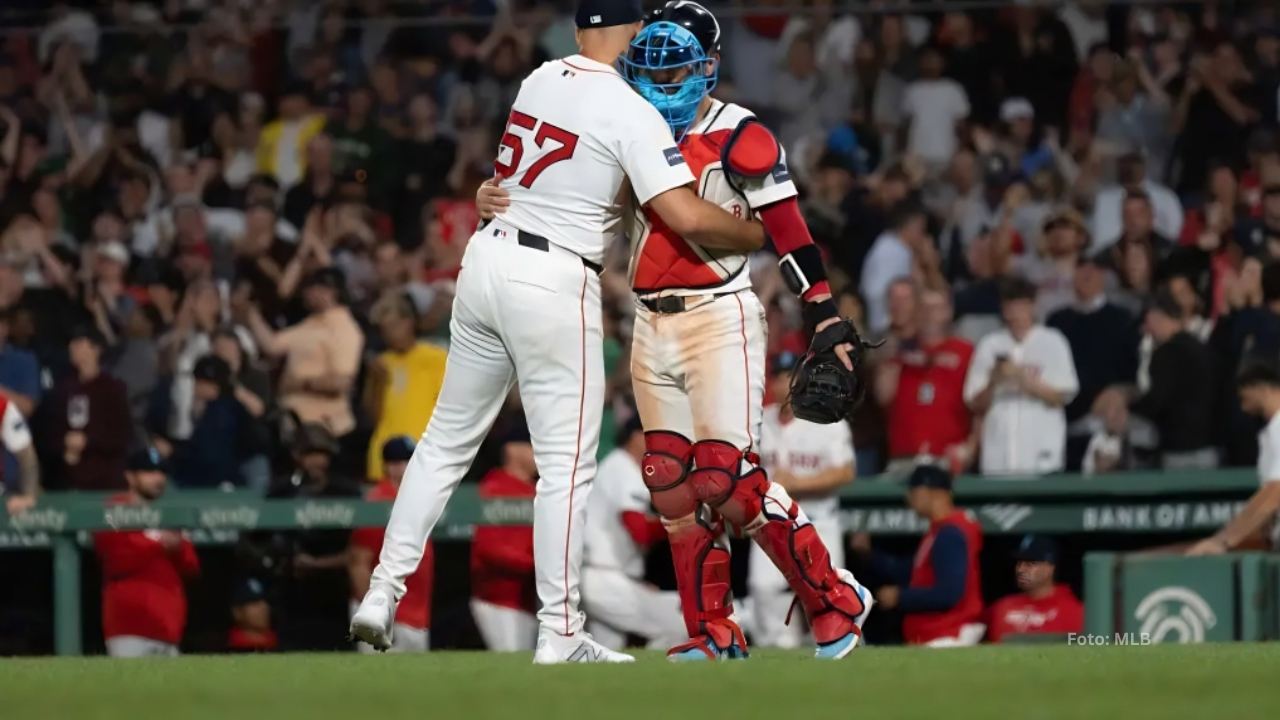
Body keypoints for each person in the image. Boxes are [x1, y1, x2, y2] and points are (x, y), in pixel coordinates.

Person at [351, 0, 764, 665]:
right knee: (566, 469)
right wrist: (758, 229)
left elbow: (522, 179)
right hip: (552, 276)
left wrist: (489, 194)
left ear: (576, 30)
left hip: (487, 260)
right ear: (633, 31)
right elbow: (682, 214)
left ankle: (379, 593)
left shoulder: (540, 77)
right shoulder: (631, 107)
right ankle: (561, 633)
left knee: (442, 445)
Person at [476, 1, 871, 661]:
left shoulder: (743, 134)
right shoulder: (620, 126)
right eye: (651, 74)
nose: (661, 89)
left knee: (726, 479)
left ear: (709, 67)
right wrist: (499, 197)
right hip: (648, 321)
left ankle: (833, 596)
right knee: (668, 481)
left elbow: (788, 227)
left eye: (675, 73)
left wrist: (822, 308)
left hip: (718, 312)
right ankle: (711, 631)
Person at [748, 352, 857, 649]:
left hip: (817, 519)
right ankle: (780, 652)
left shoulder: (827, 420)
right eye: (780, 376)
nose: (785, 383)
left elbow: (845, 472)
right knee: (763, 587)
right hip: (772, 522)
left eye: (791, 376)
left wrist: (797, 484)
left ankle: (839, 646)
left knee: (827, 591)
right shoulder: (759, 421)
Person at [582, 416, 686, 651]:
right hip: (605, 578)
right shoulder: (623, 468)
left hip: (603, 577)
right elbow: (639, 531)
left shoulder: (620, 466)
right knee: (675, 626)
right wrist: (681, 524)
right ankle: (657, 683)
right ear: (635, 437)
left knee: (607, 652)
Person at [853, 464, 985, 647]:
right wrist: (869, 555)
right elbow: (913, 573)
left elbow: (949, 593)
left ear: (935, 493)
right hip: (940, 633)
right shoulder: (939, 530)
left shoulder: (950, 533)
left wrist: (900, 597)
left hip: (949, 634)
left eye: (914, 491)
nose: (909, 498)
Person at [964, 277, 1079, 475]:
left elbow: (1062, 396)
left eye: (1021, 306)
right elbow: (974, 403)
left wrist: (1021, 377)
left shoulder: (1053, 342)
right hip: (997, 456)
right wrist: (994, 381)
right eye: (1010, 307)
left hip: (1042, 453)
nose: (1015, 314)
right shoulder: (990, 344)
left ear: (1032, 306)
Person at [93, 448, 200, 657]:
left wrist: (175, 547)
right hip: (129, 628)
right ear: (130, 477)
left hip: (169, 628)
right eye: (149, 472)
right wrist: (160, 544)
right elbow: (117, 559)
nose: (158, 478)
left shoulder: (170, 513)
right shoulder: (113, 511)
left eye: (161, 472)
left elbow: (192, 566)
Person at [238, 266, 364, 440]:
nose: (306, 293)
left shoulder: (345, 328)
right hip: (296, 421)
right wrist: (251, 314)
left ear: (328, 291)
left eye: (311, 288)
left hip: (325, 427)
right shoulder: (311, 323)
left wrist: (301, 384)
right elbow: (273, 346)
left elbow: (342, 382)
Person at [1186, 359, 1280, 556]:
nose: (1241, 401)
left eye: (1243, 391)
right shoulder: (1271, 431)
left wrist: (1224, 540)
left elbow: (1275, 493)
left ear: (1260, 386)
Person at [875, 288, 975, 473]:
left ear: (948, 312)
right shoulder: (898, 351)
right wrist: (891, 358)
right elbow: (883, 396)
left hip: (948, 459)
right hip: (903, 458)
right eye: (924, 308)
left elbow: (979, 408)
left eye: (936, 308)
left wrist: (970, 448)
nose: (929, 314)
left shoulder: (966, 352)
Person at [349, 437, 433, 653]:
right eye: (399, 462)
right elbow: (358, 562)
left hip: (417, 612)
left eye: (410, 461)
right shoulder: (379, 503)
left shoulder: (421, 498)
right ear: (388, 466)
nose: (405, 468)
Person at [362, 293, 447, 481]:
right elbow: (373, 417)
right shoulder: (382, 363)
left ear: (409, 322)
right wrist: (377, 382)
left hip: (425, 457)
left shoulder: (436, 358)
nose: (390, 335)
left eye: (394, 326)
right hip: (385, 459)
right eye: (384, 330)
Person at [470, 425, 538, 652]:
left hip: (528, 601)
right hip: (496, 600)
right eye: (533, 445)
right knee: (513, 670)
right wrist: (537, 566)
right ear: (512, 450)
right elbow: (488, 549)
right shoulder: (494, 486)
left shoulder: (537, 490)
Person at [40, 326, 132, 490]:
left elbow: (121, 434)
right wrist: (65, 444)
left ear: (96, 349)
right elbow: (50, 433)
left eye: (78, 343)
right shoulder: (63, 389)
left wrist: (88, 441)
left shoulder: (112, 389)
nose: (71, 348)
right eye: (71, 343)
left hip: (105, 482)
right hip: (67, 481)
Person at [986, 535, 1083, 643]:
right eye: (1019, 563)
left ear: (1050, 568)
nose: (1021, 569)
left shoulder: (1072, 610)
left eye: (1030, 563)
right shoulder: (1002, 606)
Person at [226, 577, 279, 653]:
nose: (264, 607)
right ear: (237, 612)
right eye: (254, 603)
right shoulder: (230, 648)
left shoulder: (280, 641)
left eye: (265, 602)